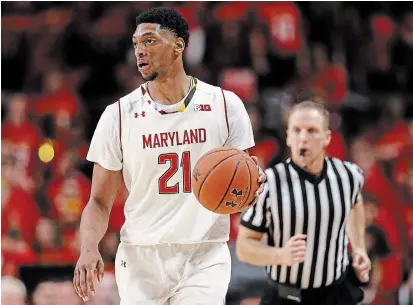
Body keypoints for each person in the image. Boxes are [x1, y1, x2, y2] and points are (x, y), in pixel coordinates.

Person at [72, 7, 265, 305]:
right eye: (136, 43)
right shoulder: (118, 116)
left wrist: (251, 190)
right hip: (141, 256)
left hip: (205, 252)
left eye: (150, 41)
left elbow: (241, 181)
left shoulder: (226, 105)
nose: (140, 51)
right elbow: (98, 200)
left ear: (179, 45)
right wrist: (88, 247)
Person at [236, 101, 371, 305]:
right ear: (288, 137)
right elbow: (243, 247)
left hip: (335, 291)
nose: (303, 138)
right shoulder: (268, 183)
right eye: (297, 130)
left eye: (312, 131)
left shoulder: (349, 175)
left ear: (327, 137)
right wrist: (280, 255)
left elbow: (355, 204)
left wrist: (359, 248)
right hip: (288, 295)